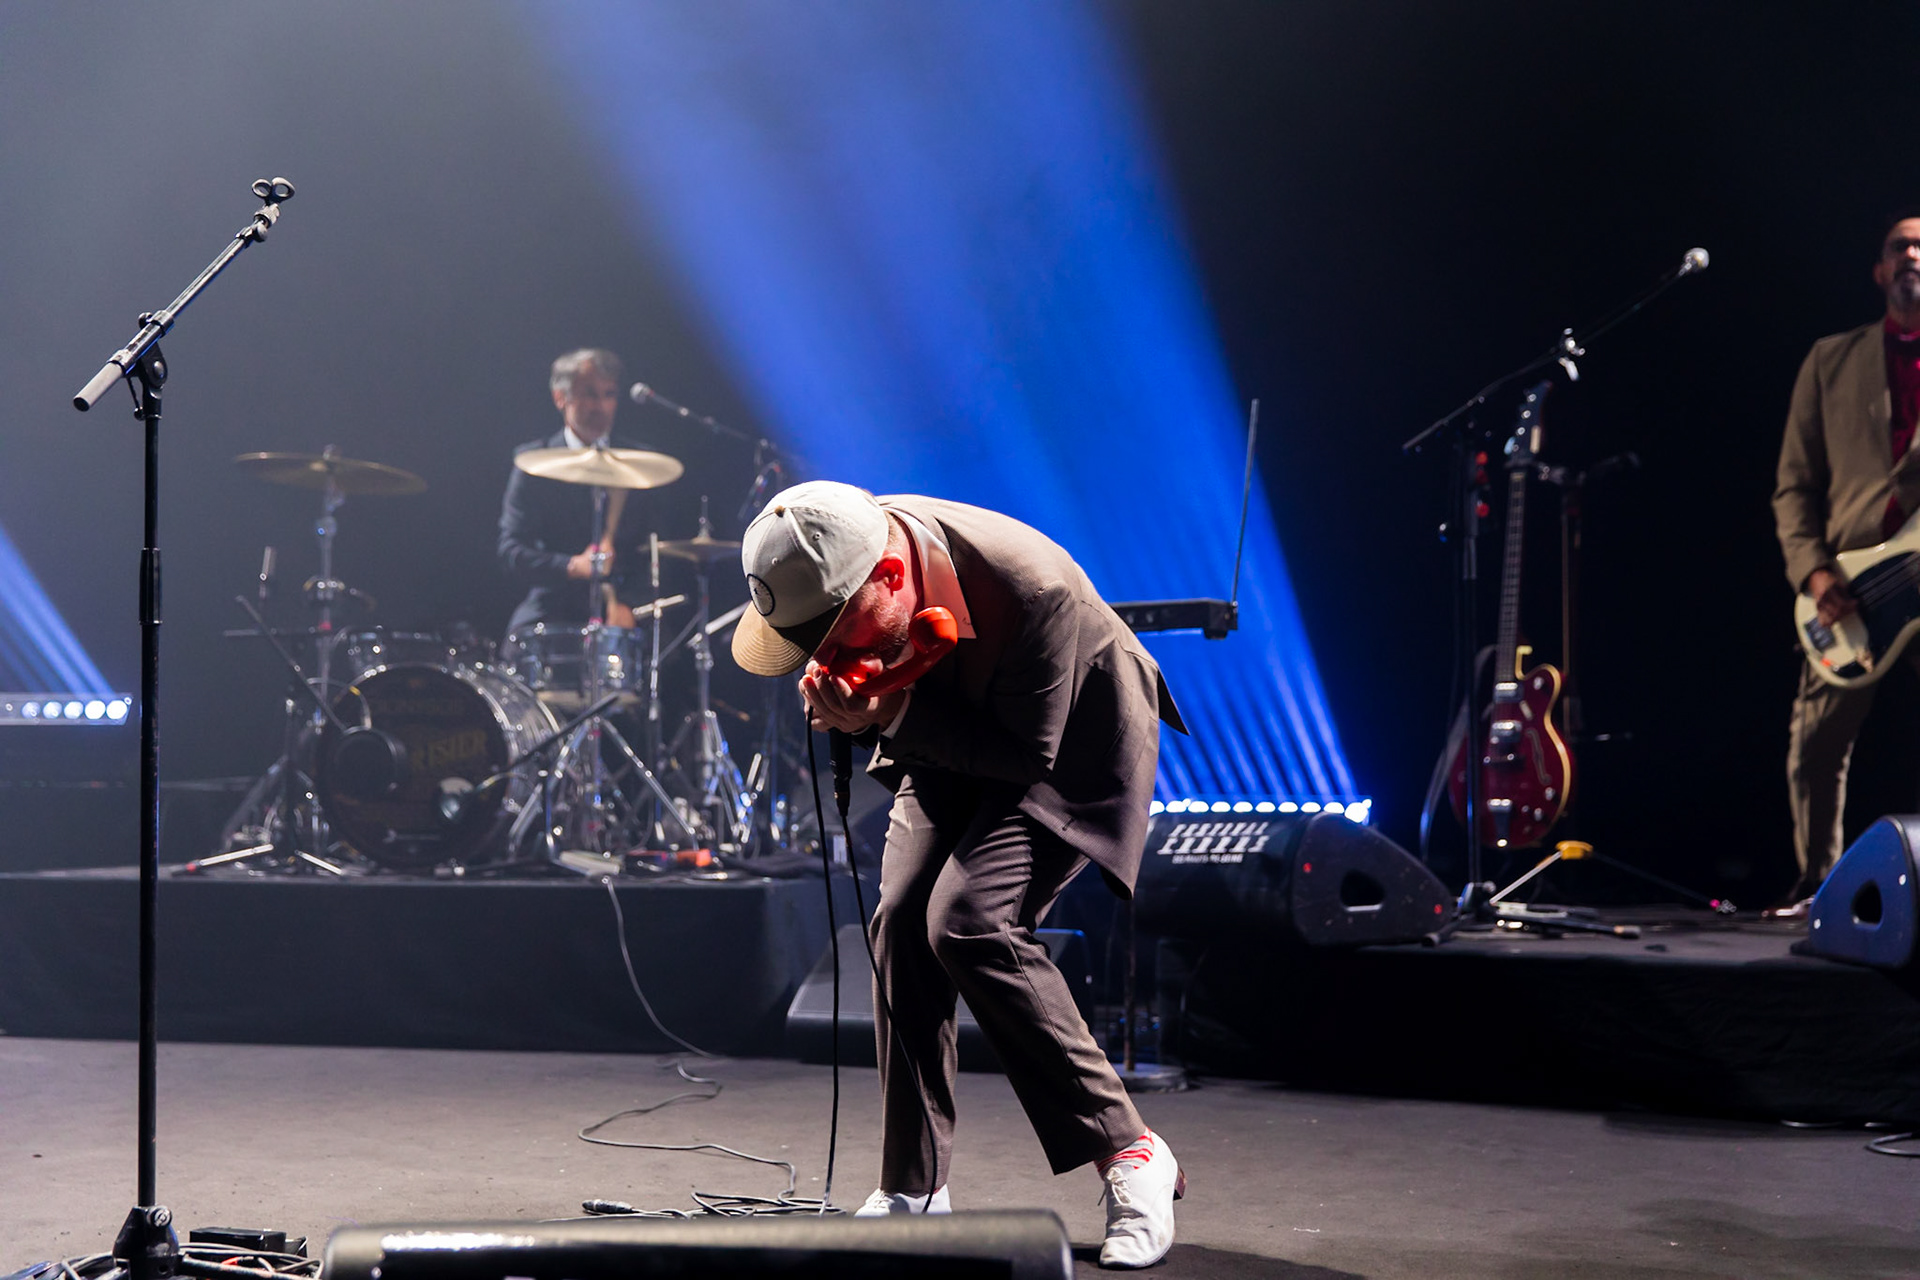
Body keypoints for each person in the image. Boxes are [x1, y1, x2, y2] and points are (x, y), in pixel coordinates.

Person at [731, 481, 1188, 1269]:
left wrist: (890, 714)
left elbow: (1025, 754)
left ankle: (1132, 1151)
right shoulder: (843, 543)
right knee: (901, 922)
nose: (826, 657)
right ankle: (913, 1185)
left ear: (890, 577)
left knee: (970, 922)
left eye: (833, 636)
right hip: (946, 730)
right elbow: (904, 698)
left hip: (1065, 744)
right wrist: (857, 701)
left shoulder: (1033, 589)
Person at [1772, 210, 1920, 920]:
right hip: (1852, 591)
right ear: (1879, 270)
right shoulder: (1830, 360)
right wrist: (1815, 572)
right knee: (1815, 746)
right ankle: (1817, 889)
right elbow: (1793, 486)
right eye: (1900, 246)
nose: (1912, 255)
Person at [497, 348, 654, 639]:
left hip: (622, 610)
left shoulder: (641, 464)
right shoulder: (534, 464)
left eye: (609, 394)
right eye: (590, 394)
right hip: (554, 606)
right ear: (561, 398)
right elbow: (512, 551)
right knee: (518, 641)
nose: (601, 406)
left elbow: (657, 551)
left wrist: (629, 604)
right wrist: (571, 566)